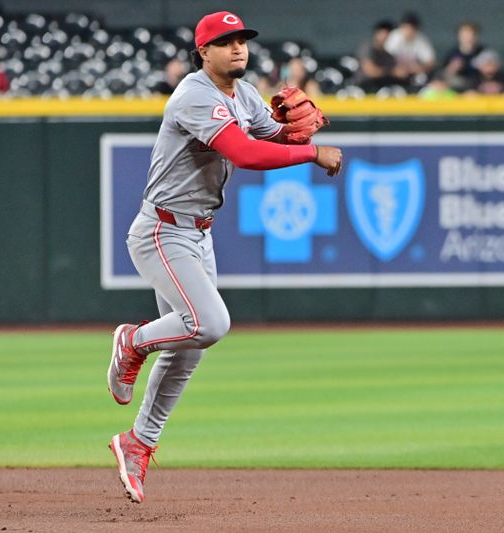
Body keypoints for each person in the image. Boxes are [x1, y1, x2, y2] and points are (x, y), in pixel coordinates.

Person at [106, 10, 342, 504]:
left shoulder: (245, 93)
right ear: (203, 52)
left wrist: (293, 131)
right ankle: (132, 340)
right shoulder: (194, 94)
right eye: (225, 41)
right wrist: (311, 152)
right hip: (162, 231)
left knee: (189, 349)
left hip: (199, 234)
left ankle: (138, 443)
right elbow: (247, 153)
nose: (238, 48)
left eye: (242, 40)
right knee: (210, 324)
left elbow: (269, 136)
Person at [356, 20, 408, 92]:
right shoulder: (367, 48)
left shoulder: (389, 54)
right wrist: (392, 72)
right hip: (364, 87)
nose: (387, 37)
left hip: (383, 85)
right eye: (384, 33)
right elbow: (370, 71)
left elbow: (399, 70)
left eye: (389, 34)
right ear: (377, 33)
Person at [383, 12, 436, 80]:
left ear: (417, 29)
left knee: (421, 78)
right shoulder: (395, 36)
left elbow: (431, 62)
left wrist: (419, 68)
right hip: (394, 72)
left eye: (412, 28)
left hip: (414, 73)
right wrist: (394, 70)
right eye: (406, 28)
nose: (409, 31)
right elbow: (384, 58)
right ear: (401, 27)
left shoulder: (421, 39)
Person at [443, 22, 484, 92]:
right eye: (464, 35)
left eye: (470, 35)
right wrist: (452, 68)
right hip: (456, 88)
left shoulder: (483, 52)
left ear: (476, 36)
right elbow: (444, 75)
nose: (468, 38)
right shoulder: (452, 53)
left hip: (478, 87)